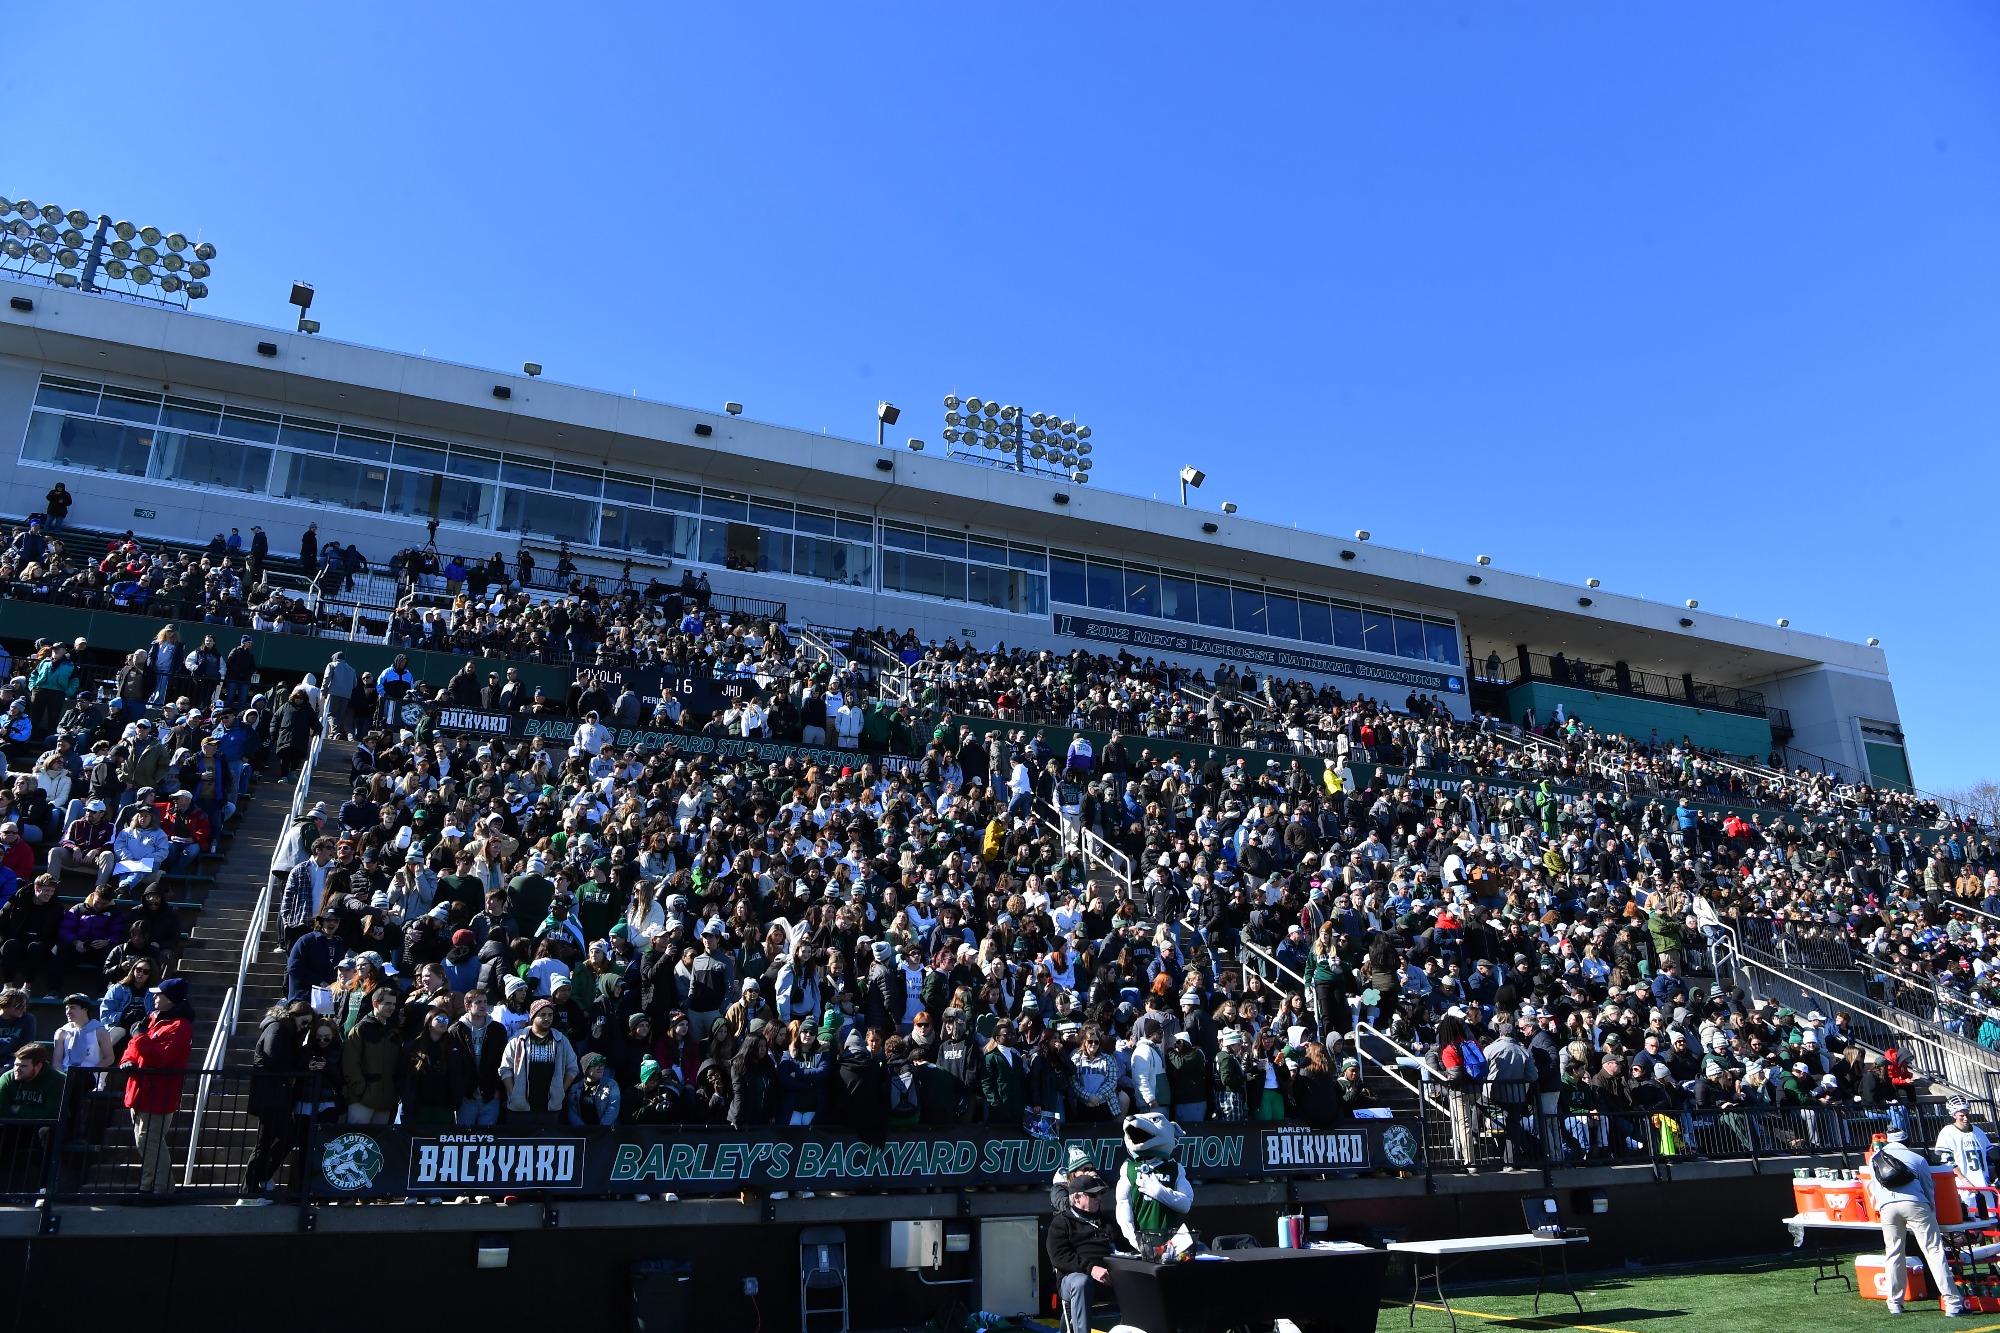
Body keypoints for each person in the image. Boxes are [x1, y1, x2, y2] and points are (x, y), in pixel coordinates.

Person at [1869, 1125, 1965, 1316]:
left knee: (1894, 1253)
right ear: (1907, 1142)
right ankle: (1952, 1303)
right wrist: (1931, 1212)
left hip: (1887, 1208)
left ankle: (1895, 1303)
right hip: (1916, 1204)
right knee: (1934, 1252)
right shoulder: (1918, 1159)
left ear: (1888, 1140)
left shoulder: (1875, 1159)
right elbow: (1929, 1189)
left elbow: (1875, 1188)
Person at [121, 975, 192, 1197]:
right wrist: (127, 1060)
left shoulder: (180, 1026)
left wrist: (141, 1037)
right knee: (146, 1142)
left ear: (170, 999)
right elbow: (133, 1047)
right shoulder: (156, 1019)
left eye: (159, 994)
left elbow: (161, 1058)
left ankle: (159, 1188)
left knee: (149, 1141)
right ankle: (152, 1186)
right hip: (142, 1090)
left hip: (158, 1093)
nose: (155, 998)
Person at [244, 1000, 313, 1200]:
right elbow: (273, 1058)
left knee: (264, 1143)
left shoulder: (284, 1029)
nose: (305, 1026)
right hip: (270, 1095)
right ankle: (258, 1181)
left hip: (273, 1094)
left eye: (308, 1024)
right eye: (304, 1021)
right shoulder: (278, 1027)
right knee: (287, 1137)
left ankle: (252, 1187)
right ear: (294, 1015)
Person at [1047, 1167, 1115, 1333]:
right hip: (1076, 1279)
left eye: (1100, 1194)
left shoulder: (1106, 1221)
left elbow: (1124, 1247)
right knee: (1081, 1282)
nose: (1099, 1198)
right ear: (1077, 1197)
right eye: (1093, 1195)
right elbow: (1060, 1258)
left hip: (1111, 1276)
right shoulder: (1061, 1223)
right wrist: (1091, 1269)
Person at [500, 998, 579, 1125]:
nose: (547, 1018)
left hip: (550, 1108)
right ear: (532, 1016)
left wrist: (561, 1091)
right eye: (542, 1015)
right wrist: (513, 1094)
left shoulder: (561, 1040)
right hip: (520, 1108)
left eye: (550, 1015)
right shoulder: (518, 1039)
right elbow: (505, 1068)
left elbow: (573, 1068)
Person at [1935, 1095, 1994, 1211]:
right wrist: (1965, 1181)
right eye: (1961, 1115)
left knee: (1992, 1221)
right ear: (1954, 1115)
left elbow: (1987, 1159)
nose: (1965, 1118)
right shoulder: (1948, 1132)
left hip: (1984, 1184)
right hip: (1963, 1187)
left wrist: (1994, 1179)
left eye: (1967, 1114)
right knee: (1970, 1222)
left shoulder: (1978, 1131)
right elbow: (1947, 1162)